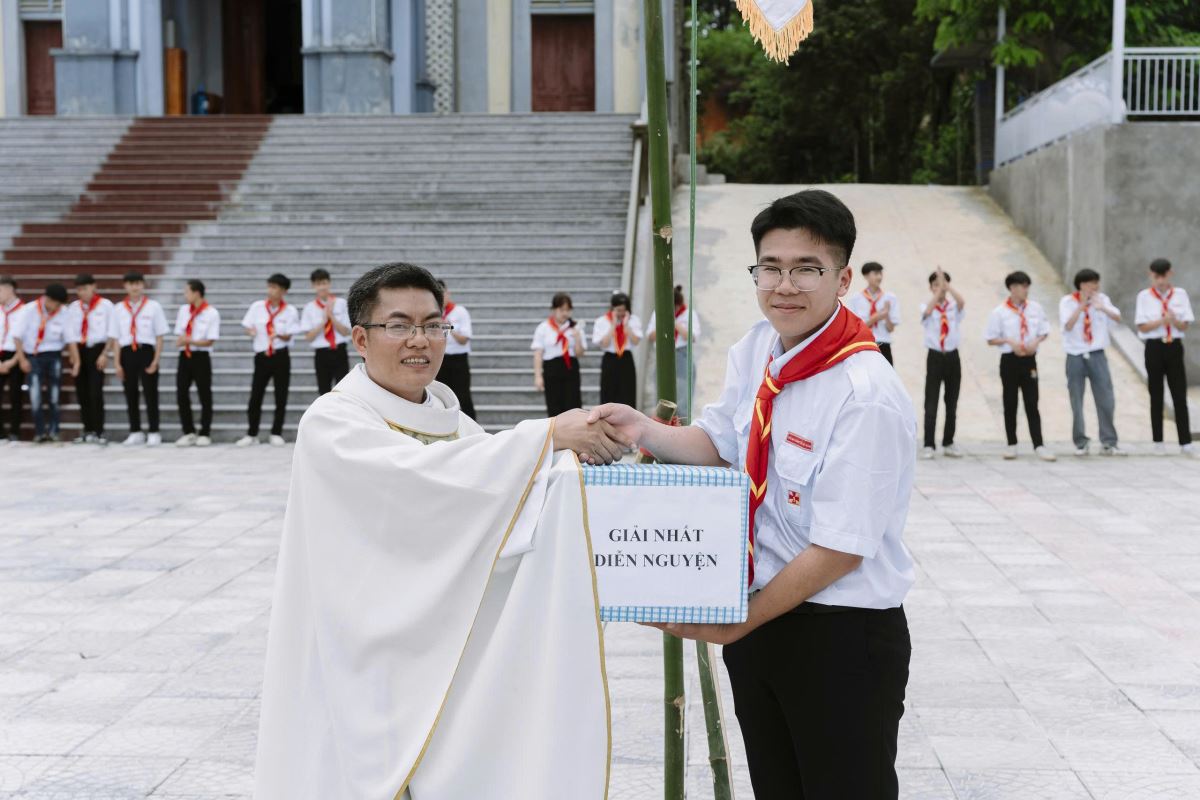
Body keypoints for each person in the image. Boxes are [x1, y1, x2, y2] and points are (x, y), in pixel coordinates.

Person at [590, 190, 916, 800]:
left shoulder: (864, 392)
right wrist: (640, 429)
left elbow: (841, 549)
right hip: (763, 621)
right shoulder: (759, 349)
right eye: (771, 268)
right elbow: (719, 445)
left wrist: (738, 622)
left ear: (843, 279)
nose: (784, 286)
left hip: (840, 637)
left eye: (806, 269)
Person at [255, 262, 624, 799]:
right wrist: (546, 435)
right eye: (399, 325)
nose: (420, 341)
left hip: (440, 652)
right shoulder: (333, 422)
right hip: (361, 654)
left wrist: (579, 461)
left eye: (433, 325)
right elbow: (422, 481)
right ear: (360, 338)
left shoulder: (455, 423)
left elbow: (503, 498)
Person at [985, 271, 1056, 461]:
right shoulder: (999, 312)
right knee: (1010, 402)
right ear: (1012, 288)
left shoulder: (1035, 308)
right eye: (1022, 286)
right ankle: (1011, 444)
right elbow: (990, 338)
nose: (1026, 290)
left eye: (1027, 286)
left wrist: (1036, 342)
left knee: (1032, 402)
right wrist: (1009, 342)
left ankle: (1038, 444)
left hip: (1029, 359)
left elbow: (1044, 330)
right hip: (1009, 360)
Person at [1060, 269, 1125, 457]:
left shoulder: (1102, 299)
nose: (1095, 287)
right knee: (1077, 400)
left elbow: (1118, 318)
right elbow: (1067, 325)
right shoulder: (1067, 302)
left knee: (1106, 399)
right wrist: (1082, 305)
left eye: (1096, 283)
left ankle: (1109, 441)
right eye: (1091, 283)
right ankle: (1081, 442)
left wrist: (1101, 307)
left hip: (1097, 354)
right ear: (1081, 285)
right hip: (1075, 355)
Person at [1136, 258, 1196, 456]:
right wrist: (1162, 320)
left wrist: (1174, 320)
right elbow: (1142, 327)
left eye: (1163, 276)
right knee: (1156, 394)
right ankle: (1158, 441)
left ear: (1170, 274)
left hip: (1174, 346)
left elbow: (1185, 325)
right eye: (1156, 277)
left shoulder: (1180, 294)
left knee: (1179, 393)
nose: (1160, 281)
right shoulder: (1144, 296)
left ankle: (1185, 442)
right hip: (1154, 346)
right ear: (1151, 275)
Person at [105, 271, 168, 447]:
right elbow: (116, 338)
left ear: (143, 285)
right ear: (125, 286)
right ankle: (135, 431)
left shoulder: (153, 307)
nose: (135, 287)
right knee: (130, 393)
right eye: (131, 284)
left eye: (138, 283)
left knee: (150, 393)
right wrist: (117, 363)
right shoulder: (118, 309)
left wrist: (156, 360)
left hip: (146, 351)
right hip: (127, 353)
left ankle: (154, 431)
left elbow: (160, 336)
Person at [238, 273, 299, 447]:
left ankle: (276, 432)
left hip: (281, 355)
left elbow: (290, 335)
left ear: (284, 291)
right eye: (269, 286)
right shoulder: (257, 307)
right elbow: (247, 326)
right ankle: (252, 433)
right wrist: (251, 332)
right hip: (262, 356)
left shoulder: (290, 311)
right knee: (256, 395)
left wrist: (278, 334)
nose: (271, 291)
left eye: (275, 288)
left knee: (281, 395)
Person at [12, 284, 77, 443]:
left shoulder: (63, 312)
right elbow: (17, 336)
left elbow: (70, 339)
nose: (58, 307)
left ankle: (54, 431)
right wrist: (22, 359)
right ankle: (40, 432)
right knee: (35, 395)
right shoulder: (28, 310)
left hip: (54, 355)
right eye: (56, 304)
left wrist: (76, 361)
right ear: (48, 299)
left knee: (54, 396)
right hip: (34, 356)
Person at [918, 267, 965, 459]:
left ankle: (948, 442)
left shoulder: (953, 306)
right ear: (931, 287)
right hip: (935, 357)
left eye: (943, 284)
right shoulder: (926, 306)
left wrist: (947, 286)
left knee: (951, 402)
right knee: (931, 402)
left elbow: (962, 302)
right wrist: (939, 291)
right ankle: (929, 444)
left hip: (953, 357)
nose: (941, 288)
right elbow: (928, 311)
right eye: (936, 285)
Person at [65, 274, 114, 444]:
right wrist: (76, 360)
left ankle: (99, 431)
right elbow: (70, 335)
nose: (82, 293)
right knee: (82, 393)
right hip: (79, 351)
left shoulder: (105, 305)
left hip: (97, 350)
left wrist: (105, 353)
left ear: (94, 287)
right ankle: (88, 430)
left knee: (95, 392)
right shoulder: (73, 308)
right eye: (79, 289)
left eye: (85, 288)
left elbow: (112, 332)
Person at [174, 280, 221, 447]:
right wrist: (183, 341)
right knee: (181, 393)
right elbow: (180, 333)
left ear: (196, 293)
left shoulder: (211, 313)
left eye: (187, 292)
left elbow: (210, 340)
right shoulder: (183, 311)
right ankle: (188, 431)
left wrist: (190, 341)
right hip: (184, 356)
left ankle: (205, 432)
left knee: (204, 394)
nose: (185, 295)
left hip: (201, 357)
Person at [645, 284, 702, 422]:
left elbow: (692, 336)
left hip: (681, 354)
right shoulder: (658, 313)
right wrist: (663, 322)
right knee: (660, 395)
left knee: (683, 395)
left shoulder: (689, 313)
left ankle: (682, 425)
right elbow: (650, 336)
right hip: (663, 354)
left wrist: (674, 322)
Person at [532, 292, 586, 416]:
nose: (565, 313)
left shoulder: (576, 327)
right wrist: (538, 376)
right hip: (551, 369)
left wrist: (577, 339)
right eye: (561, 310)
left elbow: (580, 353)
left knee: (573, 406)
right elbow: (538, 354)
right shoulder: (544, 327)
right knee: (554, 405)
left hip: (570, 368)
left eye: (568, 310)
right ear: (553, 309)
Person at [301, 268, 351, 395]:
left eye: (324, 283)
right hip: (321, 354)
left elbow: (346, 332)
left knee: (343, 391)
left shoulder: (341, 303)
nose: (322, 287)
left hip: (339, 351)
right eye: (318, 284)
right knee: (323, 391)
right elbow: (308, 337)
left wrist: (331, 316)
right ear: (313, 286)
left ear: (329, 283)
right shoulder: (309, 308)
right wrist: (323, 322)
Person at [434, 279, 476, 419]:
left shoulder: (460, 312)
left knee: (463, 397)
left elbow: (464, 340)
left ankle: (471, 426)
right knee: (441, 398)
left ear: (448, 293)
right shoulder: (433, 314)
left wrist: (449, 327)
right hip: (440, 359)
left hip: (458, 359)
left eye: (442, 293)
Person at [593, 292, 642, 406]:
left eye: (623, 310)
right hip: (610, 359)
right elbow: (604, 344)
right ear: (612, 308)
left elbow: (636, 341)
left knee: (627, 393)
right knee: (608, 393)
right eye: (618, 310)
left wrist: (626, 326)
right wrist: (613, 325)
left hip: (626, 358)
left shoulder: (633, 320)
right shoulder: (602, 321)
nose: (621, 313)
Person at [845, 261, 900, 365]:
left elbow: (891, 329)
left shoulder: (890, 298)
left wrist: (886, 315)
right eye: (875, 273)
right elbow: (854, 329)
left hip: (884, 344)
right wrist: (875, 318)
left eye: (880, 273)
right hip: (863, 344)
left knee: (885, 374)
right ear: (866, 276)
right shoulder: (855, 299)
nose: (879, 277)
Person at [0, 276, 26, 442]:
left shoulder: (24, 310)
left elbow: (27, 339)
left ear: (10, 289)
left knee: (15, 395)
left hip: (16, 355)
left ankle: (15, 432)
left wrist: (15, 360)